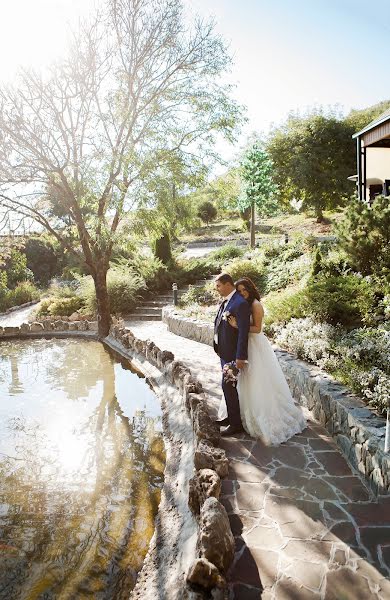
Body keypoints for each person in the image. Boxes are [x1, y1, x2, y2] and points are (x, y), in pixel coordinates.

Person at [219, 277, 306, 445]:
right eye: (240, 290)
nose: (243, 293)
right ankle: (238, 415)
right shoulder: (239, 304)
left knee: (257, 381)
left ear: (251, 289)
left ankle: (262, 416)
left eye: (245, 290)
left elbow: (257, 329)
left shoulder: (256, 305)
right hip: (243, 344)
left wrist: (238, 326)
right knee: (242, 382)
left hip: (255, 345)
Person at [213, 273, 251, 437]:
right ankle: (230, 417)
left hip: (233, 355)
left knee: (227, 386)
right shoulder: (227, 301)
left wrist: (240, 357)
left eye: (219, 286)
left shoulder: (239, 303)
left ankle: (236, 425)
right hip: (224, 352)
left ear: (228, 284)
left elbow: (243, 332)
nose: (217, 289)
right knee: (228, 387)